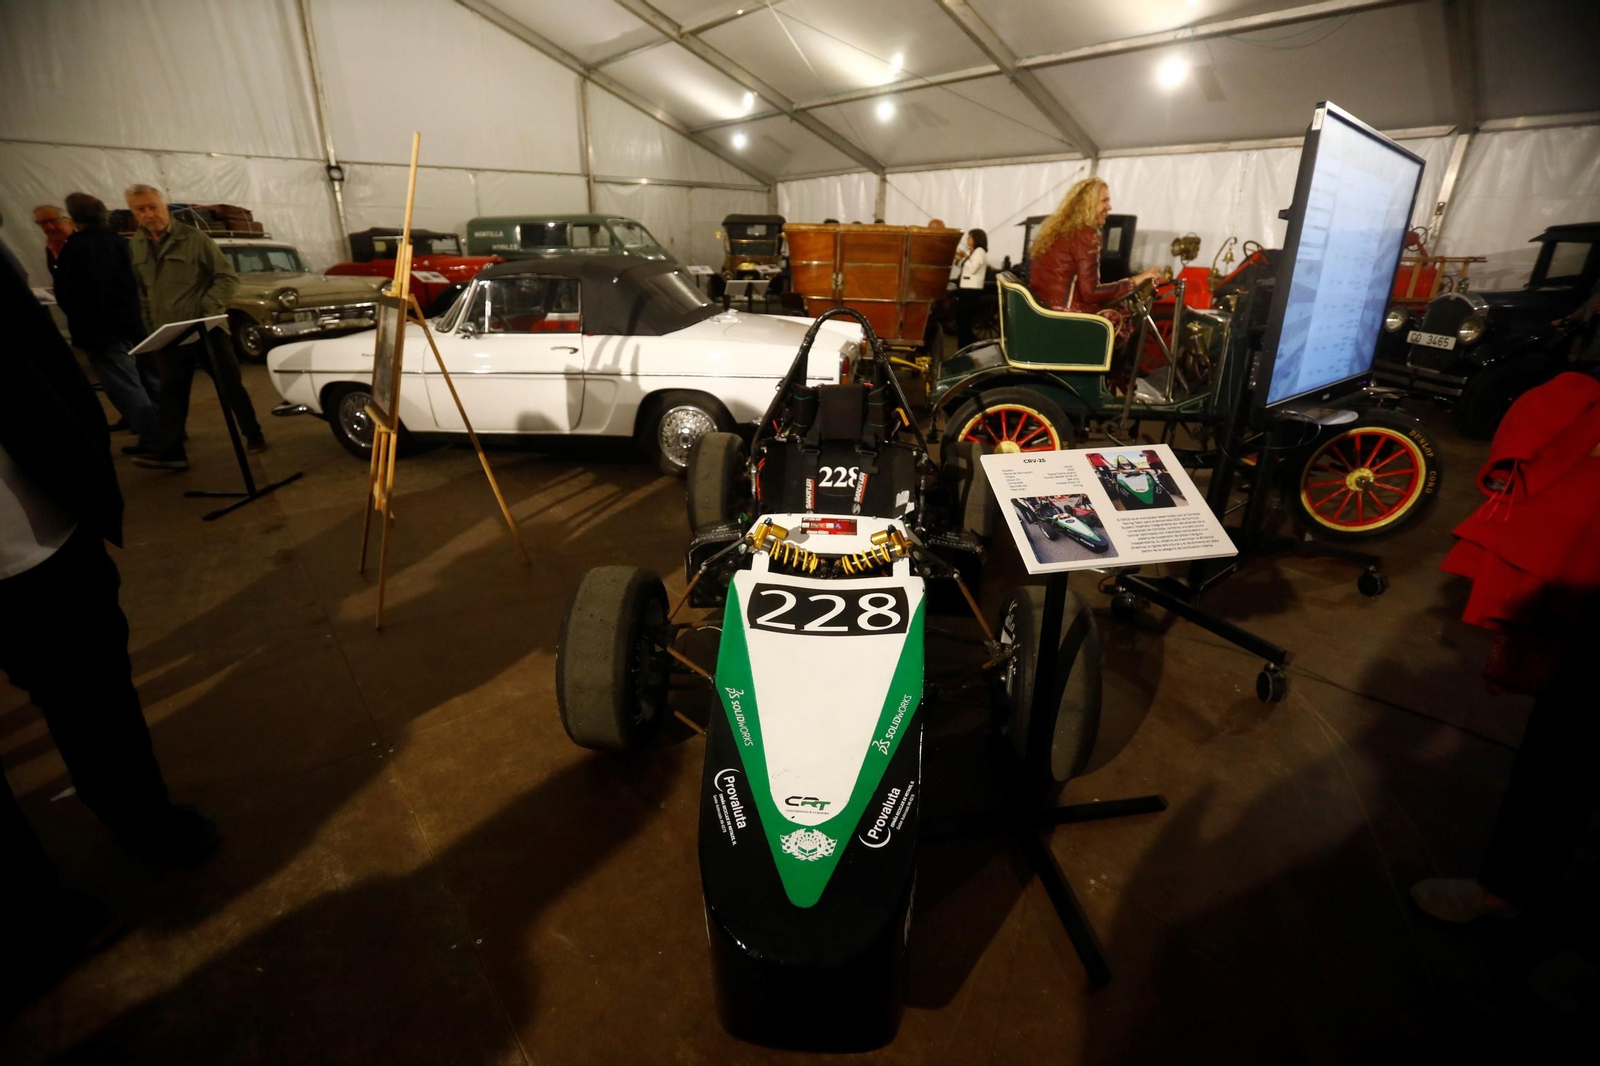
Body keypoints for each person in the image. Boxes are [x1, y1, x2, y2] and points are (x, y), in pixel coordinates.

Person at [0, 247, 218, 978]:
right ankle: (28, 909)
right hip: (39, 522)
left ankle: (142, 818)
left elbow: (34, 354)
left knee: (97, 697)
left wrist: (87, 456)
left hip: (40, 526)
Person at [124, 183, 265, 470]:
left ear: (164, 206)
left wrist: (207, 310)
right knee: (171, 392)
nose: (149, 213)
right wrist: (152, 325)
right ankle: (172, 452)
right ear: (133, 213)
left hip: (207, 330)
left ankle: (253, 434)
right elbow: (143, 291)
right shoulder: (136, 245)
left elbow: (227, 278)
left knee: (230, 386)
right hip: (170, 334)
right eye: (141, 209)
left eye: (154, 206)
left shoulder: (194, 239)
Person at [54, 193, 162, 456]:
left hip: (102, 331)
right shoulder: (119, 242)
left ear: (73, 218)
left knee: (126, 386)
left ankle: (155, 442)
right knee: (149, 382)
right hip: (133, 323)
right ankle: (170, 431)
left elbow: (76, 293)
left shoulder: (77, 247)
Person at [1027, 177, 1161, 339]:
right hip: (1065, 316)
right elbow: (1090, 293)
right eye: (1104, 201)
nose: (1109, 207)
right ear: (1087, 205)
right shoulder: (1084, 236)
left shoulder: (1058, 232)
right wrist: (1135, 281)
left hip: (1044, 309)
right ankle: (1115, 363)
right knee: (1120, 319)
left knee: (1115, 309)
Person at [954, 228, 989, 349]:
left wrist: (965, 257)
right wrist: (959, 258)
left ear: (976, 239)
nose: (967, 239)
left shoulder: (979, 251)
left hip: (971, 290)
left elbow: (973, 268)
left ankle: (965, 346)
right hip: (966, 289)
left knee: (964, 319)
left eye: (970, 237)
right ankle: (964, 345)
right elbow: (963, 266)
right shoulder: (973, 252)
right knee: (962, 319)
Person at [32, 204, 75, 279]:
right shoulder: (51, 246)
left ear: (70, 222)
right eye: (43, 223)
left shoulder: (84, 245)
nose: (50, 227)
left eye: (54, 221)